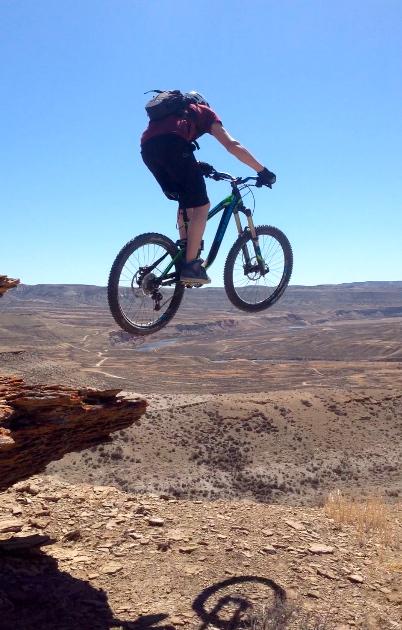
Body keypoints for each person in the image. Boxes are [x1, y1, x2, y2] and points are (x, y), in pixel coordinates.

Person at [140, 91, 276, 285]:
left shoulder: (176, 116)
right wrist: (262, 171)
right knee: (202, 206)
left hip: (148, 150)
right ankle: (191, 266)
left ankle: (186, 252)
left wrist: (195, 165)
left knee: (186, 200)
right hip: (174, 146)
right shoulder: (205, 112)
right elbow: (232, 145)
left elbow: (166, 143)